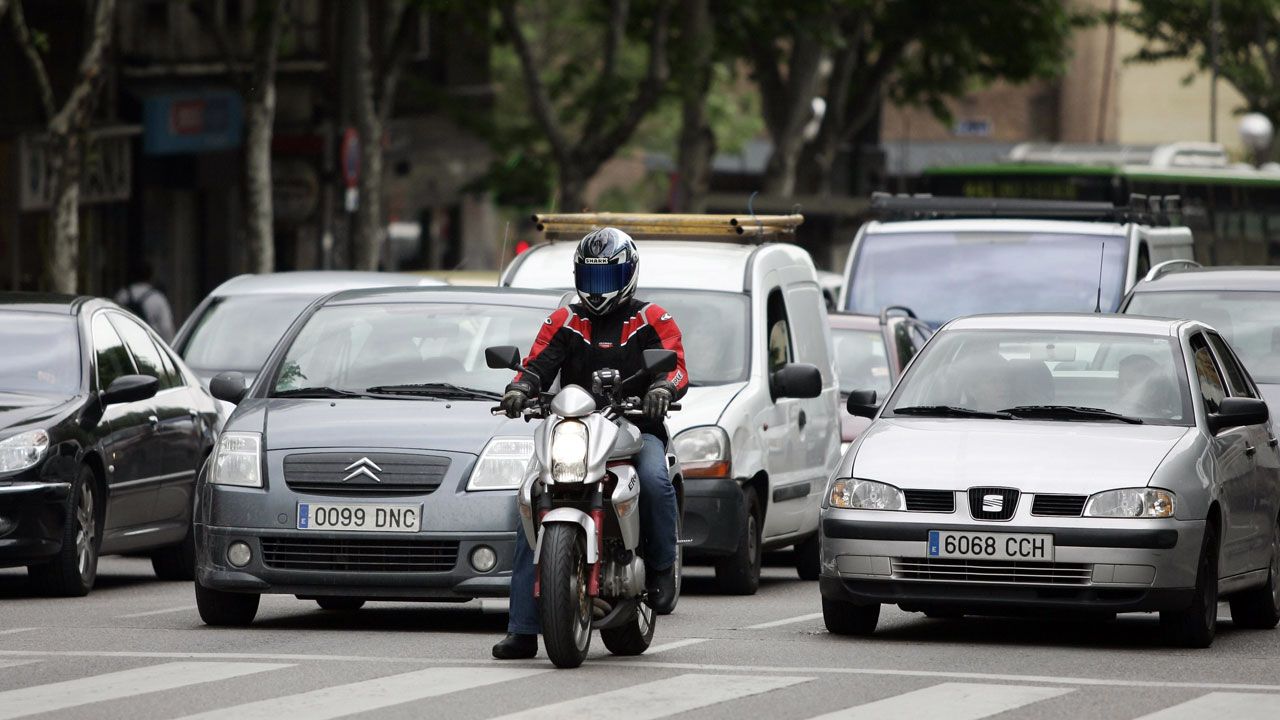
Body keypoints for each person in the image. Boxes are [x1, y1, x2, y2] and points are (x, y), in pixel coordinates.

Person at [491, 227, 688, 660]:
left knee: (655, 480)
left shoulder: (653, 317)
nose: (598, 290)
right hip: (572, 430)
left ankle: (660, 571)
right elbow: (537, 363)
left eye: (607, 278)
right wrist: (519, 388)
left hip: (635, 429)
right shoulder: (565, 319)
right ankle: (523, 628)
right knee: (529, 498)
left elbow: (675, 368)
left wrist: (662, 391)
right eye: (592, 278)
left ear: (628, 274)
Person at [114, 260, 176, 342]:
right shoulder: (157, 298)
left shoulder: (122, 295)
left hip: (126, 343)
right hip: (150, 344)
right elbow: (166, 328)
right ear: (150, 276)